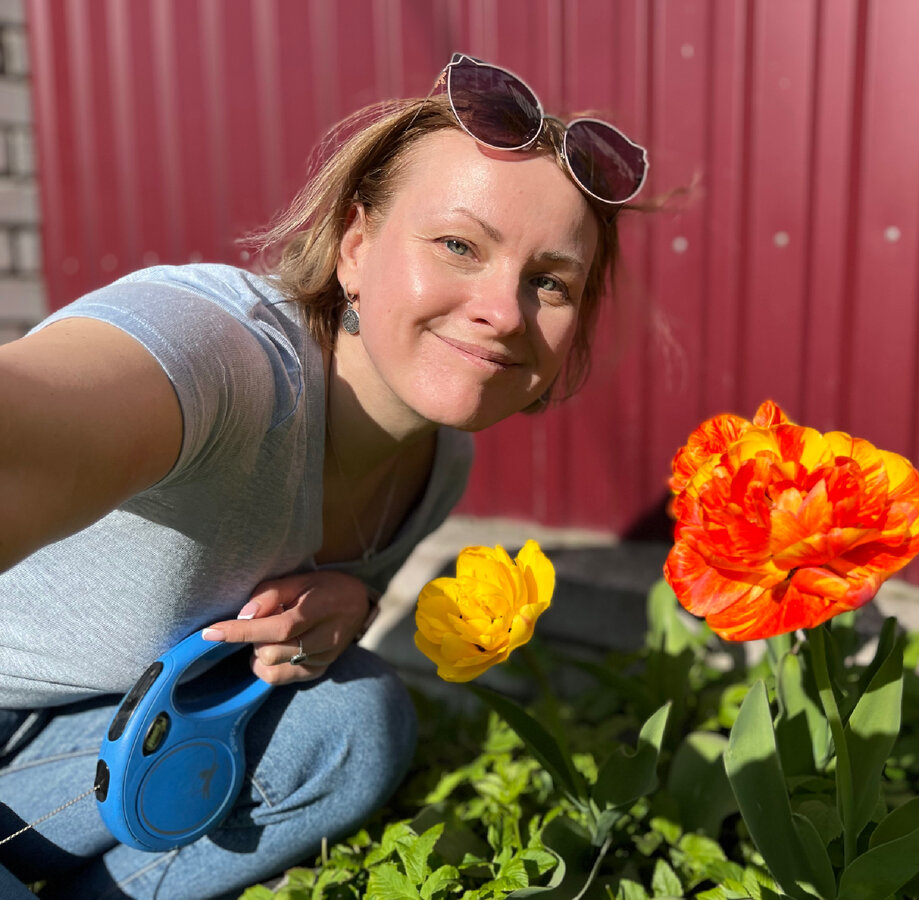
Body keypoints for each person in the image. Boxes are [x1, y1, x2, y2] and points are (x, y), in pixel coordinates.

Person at [0, 54, 647, 899]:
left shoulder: (440, 465)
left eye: (549, 282)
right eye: (458, 245)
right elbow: (34, 425)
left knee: (354, 720)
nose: (503, 310)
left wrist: (343, 604)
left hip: (71, 752)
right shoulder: (223, 356)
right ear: (354, 244)